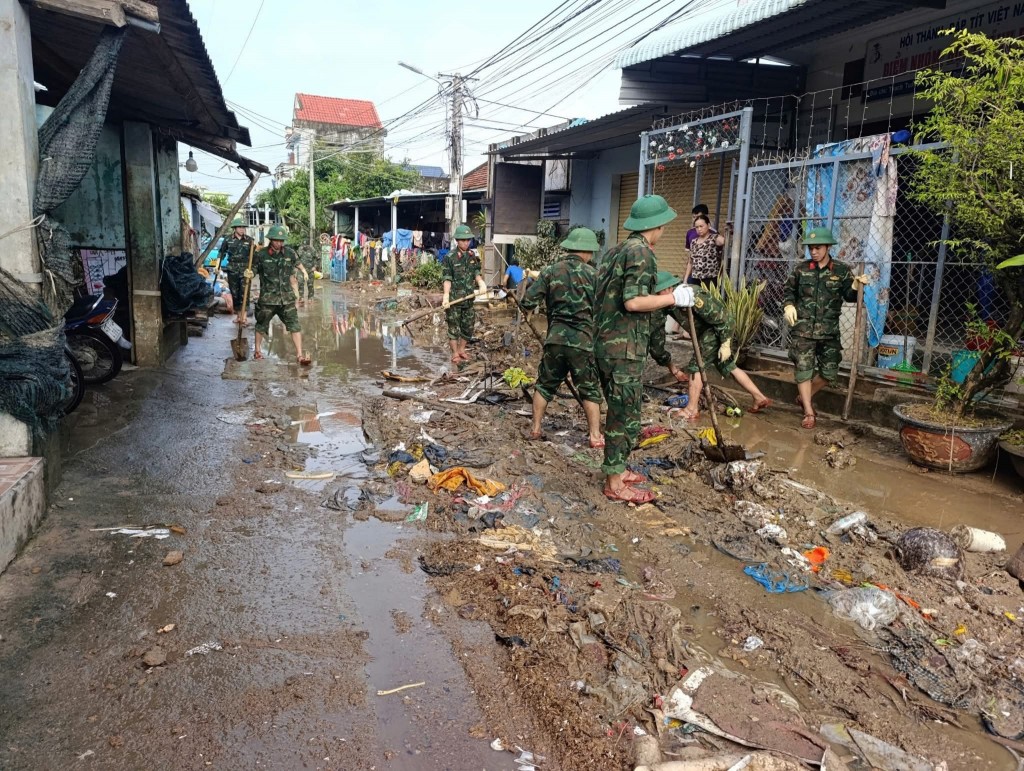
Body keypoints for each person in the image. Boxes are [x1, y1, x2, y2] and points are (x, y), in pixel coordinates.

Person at [594, 195, 697, 504]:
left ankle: (619, 469)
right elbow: (634, 301)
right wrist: (673, 299)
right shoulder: (642, 254)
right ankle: (614, 482)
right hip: (623, 348)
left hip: (609, 344)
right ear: (656, 225)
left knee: (623, 410)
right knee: (622, 414)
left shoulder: (618, 250)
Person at [519, 227, 604, 448]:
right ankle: (595, 436)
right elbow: (605, 310)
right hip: (583, 343)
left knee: (545, 385)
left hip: (555, 340)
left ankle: (536, 429)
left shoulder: (550, 272)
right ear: (587, 252)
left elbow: (527, 301)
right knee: (589, 389)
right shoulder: (595, 276)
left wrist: (530, 311)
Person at [650, 272, 771, 420]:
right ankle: (759, 397)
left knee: (696, 366)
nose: (657, 296)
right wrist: (672, 368)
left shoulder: (692, 294)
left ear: (669, 288)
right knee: (728, 365)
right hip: (704, 334)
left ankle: (691, 410)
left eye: (659, 291)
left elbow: (724, 319)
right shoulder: (666, 302)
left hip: (715, 330)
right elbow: (656, 334)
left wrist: (725, 343)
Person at [782, 227, 871, 429]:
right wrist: (788, 305)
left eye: (818, 248)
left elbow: (849, 296)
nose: (814, 252)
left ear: (828, 247)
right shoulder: (800, 269)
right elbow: (789, 292)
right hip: (803, 329)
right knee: (803, 370)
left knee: (830, 372)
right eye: (811, 248)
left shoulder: (840, 270)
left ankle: (804, 397)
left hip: (829, 330)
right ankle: (808, 411)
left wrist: (856, 286)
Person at [246, 224, 310, 365]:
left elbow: (298, 263)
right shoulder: (261, 255)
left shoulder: (289, 253)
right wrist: (250, 273)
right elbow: (254, 269)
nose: (279, 243)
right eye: (277, 240)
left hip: (286, 298)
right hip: (268, 299)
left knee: (294, 325)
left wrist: (304, 271)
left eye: (282, 241)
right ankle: (257, 351)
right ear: (271, 239)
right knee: (261, 325)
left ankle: (300, 355)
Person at [441, 223, 488, 364]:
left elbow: (476, 272)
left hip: (469, 299)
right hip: (454, 300)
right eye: (463, 240)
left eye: (468, 240)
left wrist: (480, 282)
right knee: (453, 327)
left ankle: (462, 349)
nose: (466, 242)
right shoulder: (450, 257)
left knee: (468, 326)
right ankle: (455, 353)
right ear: (457, 240)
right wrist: (446, 295)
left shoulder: (472, 256)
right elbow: (447, 278)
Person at [221, 216, 253, 325]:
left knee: (245, 293)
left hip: (245, 270)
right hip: (232, 269)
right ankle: (238, 316)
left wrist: (252, 269)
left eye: (243, 227)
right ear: (235, 228)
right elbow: (221, 253)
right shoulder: (228, 239)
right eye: (240, 227)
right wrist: (217, 266)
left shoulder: (250, 240)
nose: (242, 229)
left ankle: (244, 317)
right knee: (235, 293)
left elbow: (254, 257)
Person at [684, 214, 726, 286]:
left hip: (710, 279)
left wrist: (728, 233)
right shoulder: (693, 242)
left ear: (708, 225)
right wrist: (685, 279)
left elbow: (726, 242)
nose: (699, 229)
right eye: (697, 227)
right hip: (695, 278)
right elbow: (690, 262)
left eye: (701, 226)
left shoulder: (714, 238)